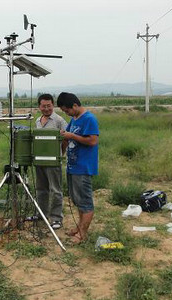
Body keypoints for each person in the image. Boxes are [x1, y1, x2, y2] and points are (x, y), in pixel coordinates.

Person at [57, 92, 99, 244]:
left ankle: (82, 234)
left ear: (74, 105)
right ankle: (79, 227)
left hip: (83, 167)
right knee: (77, 200)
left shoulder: (89, 119)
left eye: (67, 110)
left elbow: (93, 141)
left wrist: (72, 136)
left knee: (85, 202)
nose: (66, 113)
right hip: (73, 166)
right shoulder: (74, 119)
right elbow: (67, 136)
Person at [34, 94, 68, 230]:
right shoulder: (38, 120)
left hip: (53, 163)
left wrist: (61, 153)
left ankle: (56, 218)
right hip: (40, 161)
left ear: (53, 105)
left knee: (55, 190)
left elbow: (66, 138)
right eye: (44, 106)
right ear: (39, 107)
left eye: (49, 106)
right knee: (41, 189)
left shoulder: (59, 120)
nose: (46, 108)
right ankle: (41, 214)